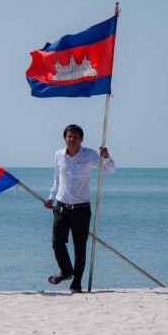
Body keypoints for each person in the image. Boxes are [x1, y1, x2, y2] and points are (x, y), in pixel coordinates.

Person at [44, 124, 116, 294]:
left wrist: (106, 157)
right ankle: (67, 271)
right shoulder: (59, 155)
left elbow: (111, 170)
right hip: (62, 207)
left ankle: (76, 285)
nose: (72, 139)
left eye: (75, 137)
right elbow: (56, 180)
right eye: (69, 136)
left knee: (80, 248)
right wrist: (51, 198)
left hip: (81, 209)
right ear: (64, 138)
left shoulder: (90, 155)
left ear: (81, 139)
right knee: (57, 243)